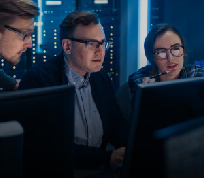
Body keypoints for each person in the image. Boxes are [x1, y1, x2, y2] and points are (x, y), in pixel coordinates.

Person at [18, 11, 129, 169]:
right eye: (91, 44)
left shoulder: (101, 78)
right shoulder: (39, 80)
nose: (100, 51)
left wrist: (132, 146)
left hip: (98, 170)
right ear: (67, 46)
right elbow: (48, 147)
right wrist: (106, 158)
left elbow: (116, 125)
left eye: (103, 43)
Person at [128, 23, 204, 101]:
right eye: (161, 52)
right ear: (152, 58)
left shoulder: (196, 74)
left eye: (176, 48)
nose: (170, 58)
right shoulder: (140, 79)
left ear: (184, 51)